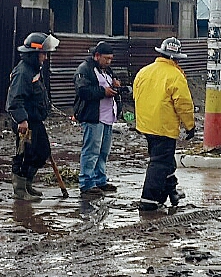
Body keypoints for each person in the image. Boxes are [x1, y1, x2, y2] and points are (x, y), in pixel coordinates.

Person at [133, 37, 197, 212]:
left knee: (166, 161)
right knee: (160, 163)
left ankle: (170, 191)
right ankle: (149, 200)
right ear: (176, 59)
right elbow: (183, 104)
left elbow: (136, 96)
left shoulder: (144, 72)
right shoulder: (175, 76)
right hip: (164, 127)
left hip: (146, 125)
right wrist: (190, 126)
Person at [6, 31, 59, 200]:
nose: (46, 58)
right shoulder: (23, 72)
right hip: (25, 123)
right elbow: (15, 99)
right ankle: (20, 191)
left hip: (35, 121)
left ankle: (27, 184)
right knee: (24, 154)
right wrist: (22, 119)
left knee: (42, 152)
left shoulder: (34, 70)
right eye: (43, 54)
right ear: (35, 53)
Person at [73, 41, 122, 196]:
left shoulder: (107, 70)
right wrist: (103, 92)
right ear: (96, 56)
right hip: (93, 116)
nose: (108, 62)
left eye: (110, 59)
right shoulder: (85, 69)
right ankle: (86, 183)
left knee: (103, 151)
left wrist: (116, 85)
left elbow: (110, 84)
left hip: (107, 116)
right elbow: (83, 90)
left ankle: (100, 179)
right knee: (91, 150)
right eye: (106, 58)